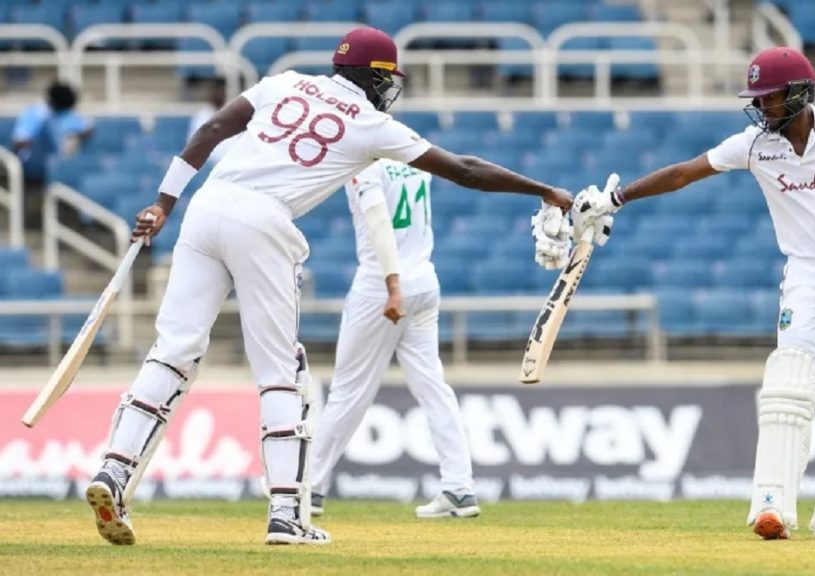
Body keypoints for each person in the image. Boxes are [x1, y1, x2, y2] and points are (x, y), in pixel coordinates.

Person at [86, 26, 573, 547]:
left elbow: (212, 128)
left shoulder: (284, 81)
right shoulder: (370, 124)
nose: (389, 90)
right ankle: (286, 515)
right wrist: (544, 190)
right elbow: (466, 170)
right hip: (265, 220)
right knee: (281, 374)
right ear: (373, 77)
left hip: (206, 207)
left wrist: (164, 203)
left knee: (173, 351)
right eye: (387, 80)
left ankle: (114, 471)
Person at [562, 47, 815, 540]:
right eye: (757, 99)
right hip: (807, 276)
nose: (761, 107)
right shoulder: (753, 145)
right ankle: (772, 507)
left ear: (800, 93)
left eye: (770, 97)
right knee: (789, 385)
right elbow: (682, 173)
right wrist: (615, 199)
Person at [309, 159, 502, 519]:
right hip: (425, 281)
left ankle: (310, 488)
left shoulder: (366, 161)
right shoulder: (413, 155)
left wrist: (392, 286)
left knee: (349, 390)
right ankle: (459, 487)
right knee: (433, 387)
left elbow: (379, 221)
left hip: (381, 285)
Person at [11, 81, 92, 181]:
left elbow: (86, 130)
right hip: (32, 167)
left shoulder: (67, 114)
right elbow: (18, 141)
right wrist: (41, 141)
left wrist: (71, 138)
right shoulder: (36, 113)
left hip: (58, 167)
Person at [187, 78, 239, 163]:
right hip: (208, 160)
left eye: (221, 92)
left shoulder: (234, 112)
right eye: (216, 92)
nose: (219, 95)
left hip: (232, 159)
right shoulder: (202, 116)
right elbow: (194, 142)